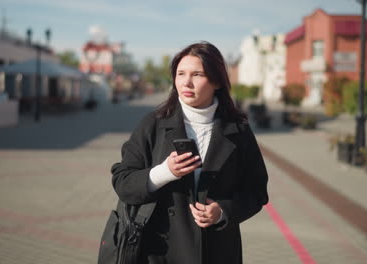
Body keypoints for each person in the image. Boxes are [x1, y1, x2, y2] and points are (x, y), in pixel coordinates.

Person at [111, 41, 269, 264]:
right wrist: (164, 172)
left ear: (216, 81)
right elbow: (123, 181)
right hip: (159, 250)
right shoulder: (153, 124)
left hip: (218, 251)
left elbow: (256, 191)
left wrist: (222, 211)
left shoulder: (238, 130)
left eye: (197, 74)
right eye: (180, 73)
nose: (186, 82)